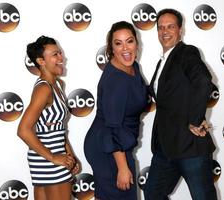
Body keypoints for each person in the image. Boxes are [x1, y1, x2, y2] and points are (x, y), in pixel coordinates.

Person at [144, 9, 217, 200]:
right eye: (160, 27)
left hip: (190, 147)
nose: (164, 31)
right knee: (152, 193)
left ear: (180, 30)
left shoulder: (186, 52)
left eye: (170, 26)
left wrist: (195, 119)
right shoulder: (163, 61)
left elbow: (203, 81)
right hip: (165, 149)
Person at [84, 21, 148, 200]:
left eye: (129, 41)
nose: (125, 48)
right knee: (119, 193)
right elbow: (113, 127)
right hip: (108, 145)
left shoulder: (132, 67)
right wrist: (122, 167)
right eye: (118, 43)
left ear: (137, 43)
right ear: (111, 48)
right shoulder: (115, 81)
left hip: (119, 142)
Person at [17, 36, 81, 200]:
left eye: (60, 53)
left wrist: (70, 155)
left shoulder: (58, 85)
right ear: (41, 61)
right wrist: (53, 157)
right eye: (55, 55)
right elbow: (23, 130)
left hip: (52, 157)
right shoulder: (44, 89)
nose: (61, 58)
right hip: (49, 160)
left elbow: (57, 130)